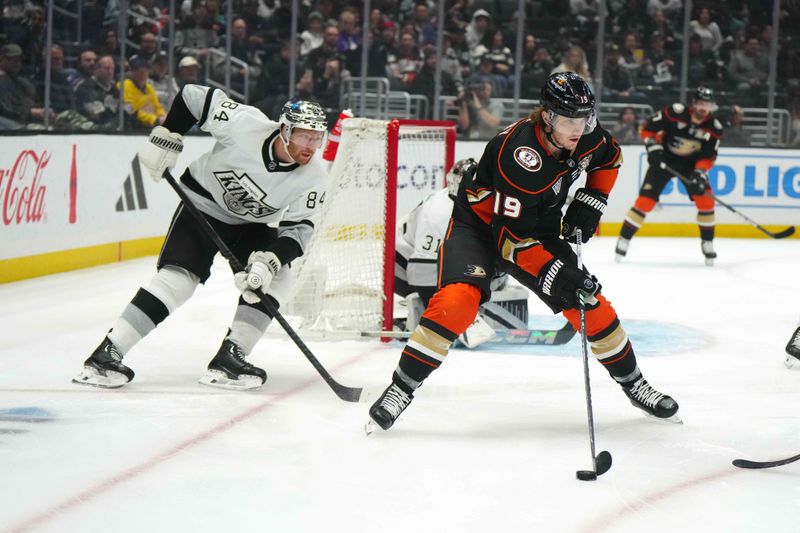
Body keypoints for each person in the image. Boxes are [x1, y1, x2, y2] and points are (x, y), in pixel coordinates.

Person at [368, 72, 679, 431]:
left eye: (585, 118)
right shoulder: (520, 157)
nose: (578, 129)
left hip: (536, 228)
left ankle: (635, 384)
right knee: (457, 302)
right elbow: (509, 242)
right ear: (547, 117)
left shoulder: (585, 134)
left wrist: (593, 199)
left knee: (589, 304)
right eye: (567, 120)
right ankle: (400, 389)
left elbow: (610, 159)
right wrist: (557, 272)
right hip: (481, 230)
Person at [73, 91, 329, 390]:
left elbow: (298, 231)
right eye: (304, 137)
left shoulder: (314, 176)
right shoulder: (245, 125)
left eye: (317, 138)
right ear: (285, 130)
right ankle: (107, 352)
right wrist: (169, 133)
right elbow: (193, 97)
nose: (311, 147)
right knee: (179, 280)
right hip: (202, 205)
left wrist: (268, 262)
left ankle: (230, 358)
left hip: (250, 224)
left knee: (277, 279)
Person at [394, 158, 530, 348]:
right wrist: (444, 316)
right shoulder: (438, 214)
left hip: (437, 262)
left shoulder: (482, 205)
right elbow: (421, 271)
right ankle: (432, 310)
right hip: (402, 268)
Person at [615, 87, 724, 265]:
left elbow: (708, 156)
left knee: (706, 200)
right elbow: (647, 128)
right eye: (701, 103)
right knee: (645, 202)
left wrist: (699, 173)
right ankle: (624, 239)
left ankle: (708, 242)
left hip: (690, 165)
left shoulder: (714, 128)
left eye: (708, 105)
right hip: (663, 159)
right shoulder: (674, 112)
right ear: (694, 103)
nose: (704, 108)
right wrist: (653, 147)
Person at [122, 56, 167, 129]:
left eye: (145, 72)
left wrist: (162, 116)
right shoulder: (125, 85)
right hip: (135, 126)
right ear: (132, 72)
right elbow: (131, 111)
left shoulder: (149, 87)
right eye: (139, 72)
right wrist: (154, 119)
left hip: (151, 125)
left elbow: (157, 106)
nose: (142, 75)